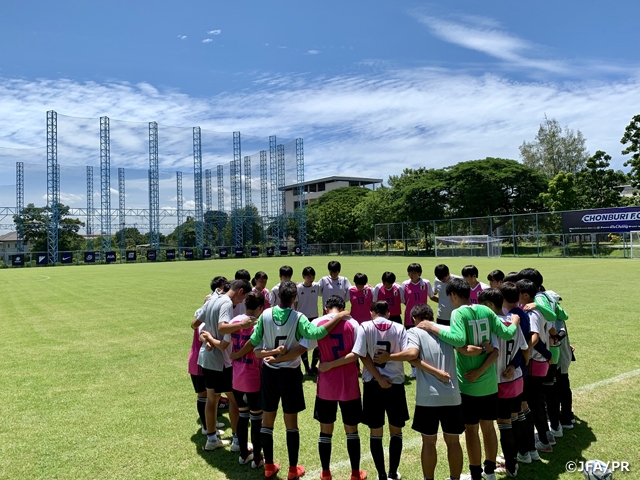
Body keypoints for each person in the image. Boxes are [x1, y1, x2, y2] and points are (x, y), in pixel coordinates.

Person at [233, 281, 348, 480]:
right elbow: (318, 333)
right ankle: (293, 469)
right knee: (291, 424)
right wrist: (338, 316)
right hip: (290, 374)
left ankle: (268, 466)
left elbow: (253, 342)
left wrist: (237, 354)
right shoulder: (299, 317)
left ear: (278, 297)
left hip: (269, 373)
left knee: (267, 422)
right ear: (295, 298)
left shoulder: (266, 314)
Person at [416, 278, 520, 480]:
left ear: (453, 295)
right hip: (489, 382)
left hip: (468, 383)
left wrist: (431, 326)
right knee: (489, 427)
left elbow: (458, 340)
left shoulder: (458, 313)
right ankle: (489, 471)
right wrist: (514, 320)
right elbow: (507, 334)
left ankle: (475, 473)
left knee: (472, 430)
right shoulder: (486, 310)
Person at [379, 303, 464, 480]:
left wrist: (390, 357)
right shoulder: (447, 329)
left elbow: (412, 354)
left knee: (428, 442)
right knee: (454, 442)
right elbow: (463, 347)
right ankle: (455, 478)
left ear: (414, 319)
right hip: (453, 395)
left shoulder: (414, 332)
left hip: (428, 398)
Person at [308, 295, 367, 480]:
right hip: (349, 384)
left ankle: (325, 472)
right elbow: (358, 353)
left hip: (326, 385)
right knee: (352, 430)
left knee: (325, 431)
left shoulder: (317, 323)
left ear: (326, 308)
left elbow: (306, 346)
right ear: (344, 308)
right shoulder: (354, 324)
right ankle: (356, 473)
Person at [352, 301, 409, 480]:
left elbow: (361, 354)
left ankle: (382, 474)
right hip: (396, 384)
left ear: (371, 312)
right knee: (396, 431)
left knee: (375, 431)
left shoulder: (365, 326)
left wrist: (378, 377)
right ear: (389, 312)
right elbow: (408, 353)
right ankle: (393, 472)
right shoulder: (399, 328)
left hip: (372, 384)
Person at [196, 280, 253, 451]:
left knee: (212, 398)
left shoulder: (212, 299)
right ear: (240, 291)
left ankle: (212, 438)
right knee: (234, 401)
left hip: (206, 358)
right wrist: (241, 325)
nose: (240, 303)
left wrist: (207, 338)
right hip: (220, 360)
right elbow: (222, 328)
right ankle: (237, 440)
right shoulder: (227, 303)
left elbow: (195, 323)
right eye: (242, 299)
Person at [478, 289, 528, 478]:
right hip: (515, 379)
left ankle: (511, 466)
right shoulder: (512, 322)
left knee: (504, 424)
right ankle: (518, 457)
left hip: (498, 382)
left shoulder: (491, 326)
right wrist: (515, 367)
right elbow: (524, 350)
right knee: (514, 419)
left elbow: (493, 352)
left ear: (490, 306)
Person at [222, 291, 267, 467]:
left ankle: (243, 454)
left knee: (243, 415)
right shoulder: (259, 325)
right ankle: (257, 458)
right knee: (256, 419)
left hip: (237, 377)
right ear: (260, 308)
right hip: (254, 377)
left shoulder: (234, 321)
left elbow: (226, 344)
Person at [516, 278, 554, 454]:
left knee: (533, 403)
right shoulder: (537, 308)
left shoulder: (532, 313)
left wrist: (523, 350)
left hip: (535, 361)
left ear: (525, 294)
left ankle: (544, 441)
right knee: (537, 401)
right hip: (541, 361)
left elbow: (535, 338)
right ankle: (547, 436)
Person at [296, 266, 321, 376]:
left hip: (315, 318)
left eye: (312, 276)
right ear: (303, 276)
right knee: (303, 344)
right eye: (308, 276)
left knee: (317, 344)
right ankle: (306, 368)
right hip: (302, 319)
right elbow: (295, 303)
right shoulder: (298, 288)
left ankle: (313, 366)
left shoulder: (317, 286)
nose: (310, 278)